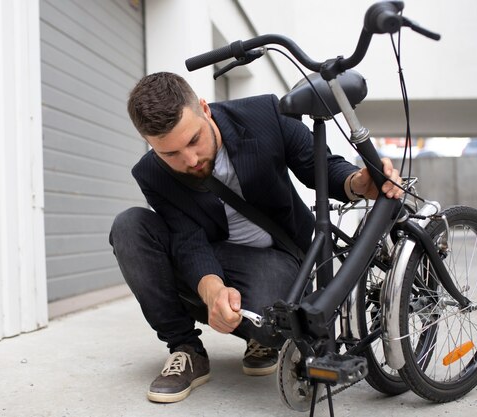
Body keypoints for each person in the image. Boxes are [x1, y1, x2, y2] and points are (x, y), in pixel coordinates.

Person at [109, 72, 403, 403]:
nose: (189, 161)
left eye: (193, 141)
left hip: (280, 256)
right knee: (129, 226)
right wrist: (213, 290)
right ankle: (185, 347)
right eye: (170, 154)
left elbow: (318, 166)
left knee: (274, 314)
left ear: (205, 110)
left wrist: (359, 182)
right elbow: (186, 239)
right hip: (215, 257)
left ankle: (262, 337)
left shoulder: (264, 115)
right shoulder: (151, 173)